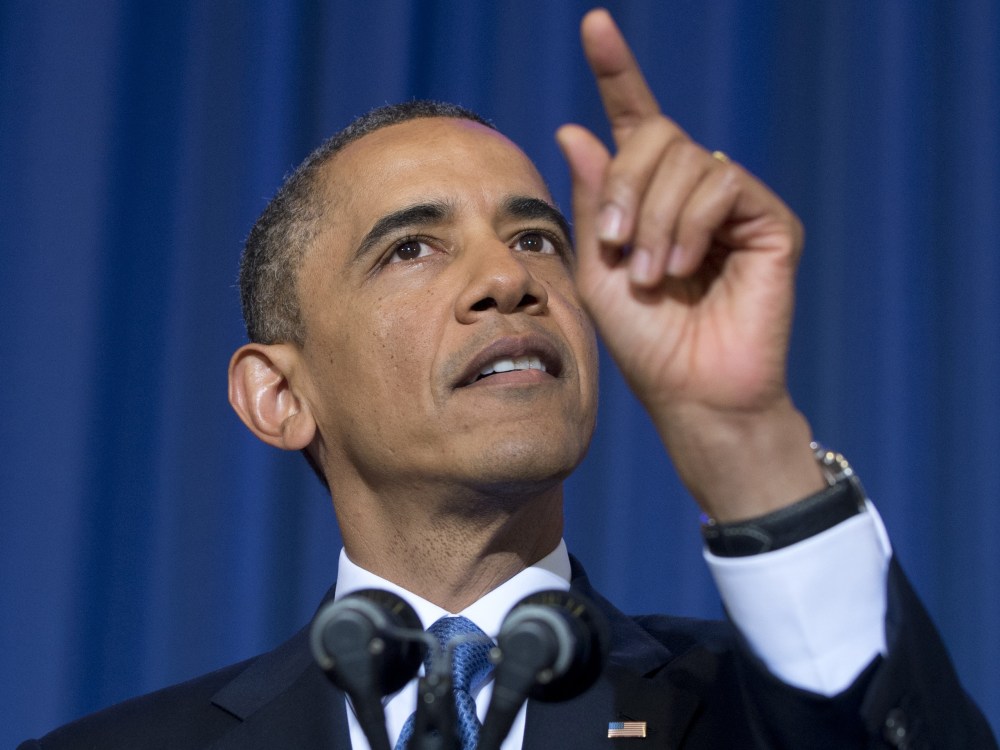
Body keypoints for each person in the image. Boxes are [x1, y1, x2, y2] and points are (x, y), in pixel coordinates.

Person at [20, 9, 996, 750]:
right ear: (279, 396)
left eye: (536, 237)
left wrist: (739, 434)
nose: (507, 280)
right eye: (409, 250)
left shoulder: (749, 707)